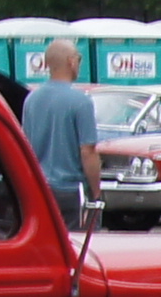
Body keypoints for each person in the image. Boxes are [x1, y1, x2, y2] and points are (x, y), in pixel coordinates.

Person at [20, 42, 103, 231]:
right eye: (79, 58)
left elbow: (26, 145)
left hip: (39, 189)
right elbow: (88, 151)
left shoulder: (31, 100)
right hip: (71, 190)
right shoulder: (81, 102)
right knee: (78, 246)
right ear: (71, 61)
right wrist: (97, 192)